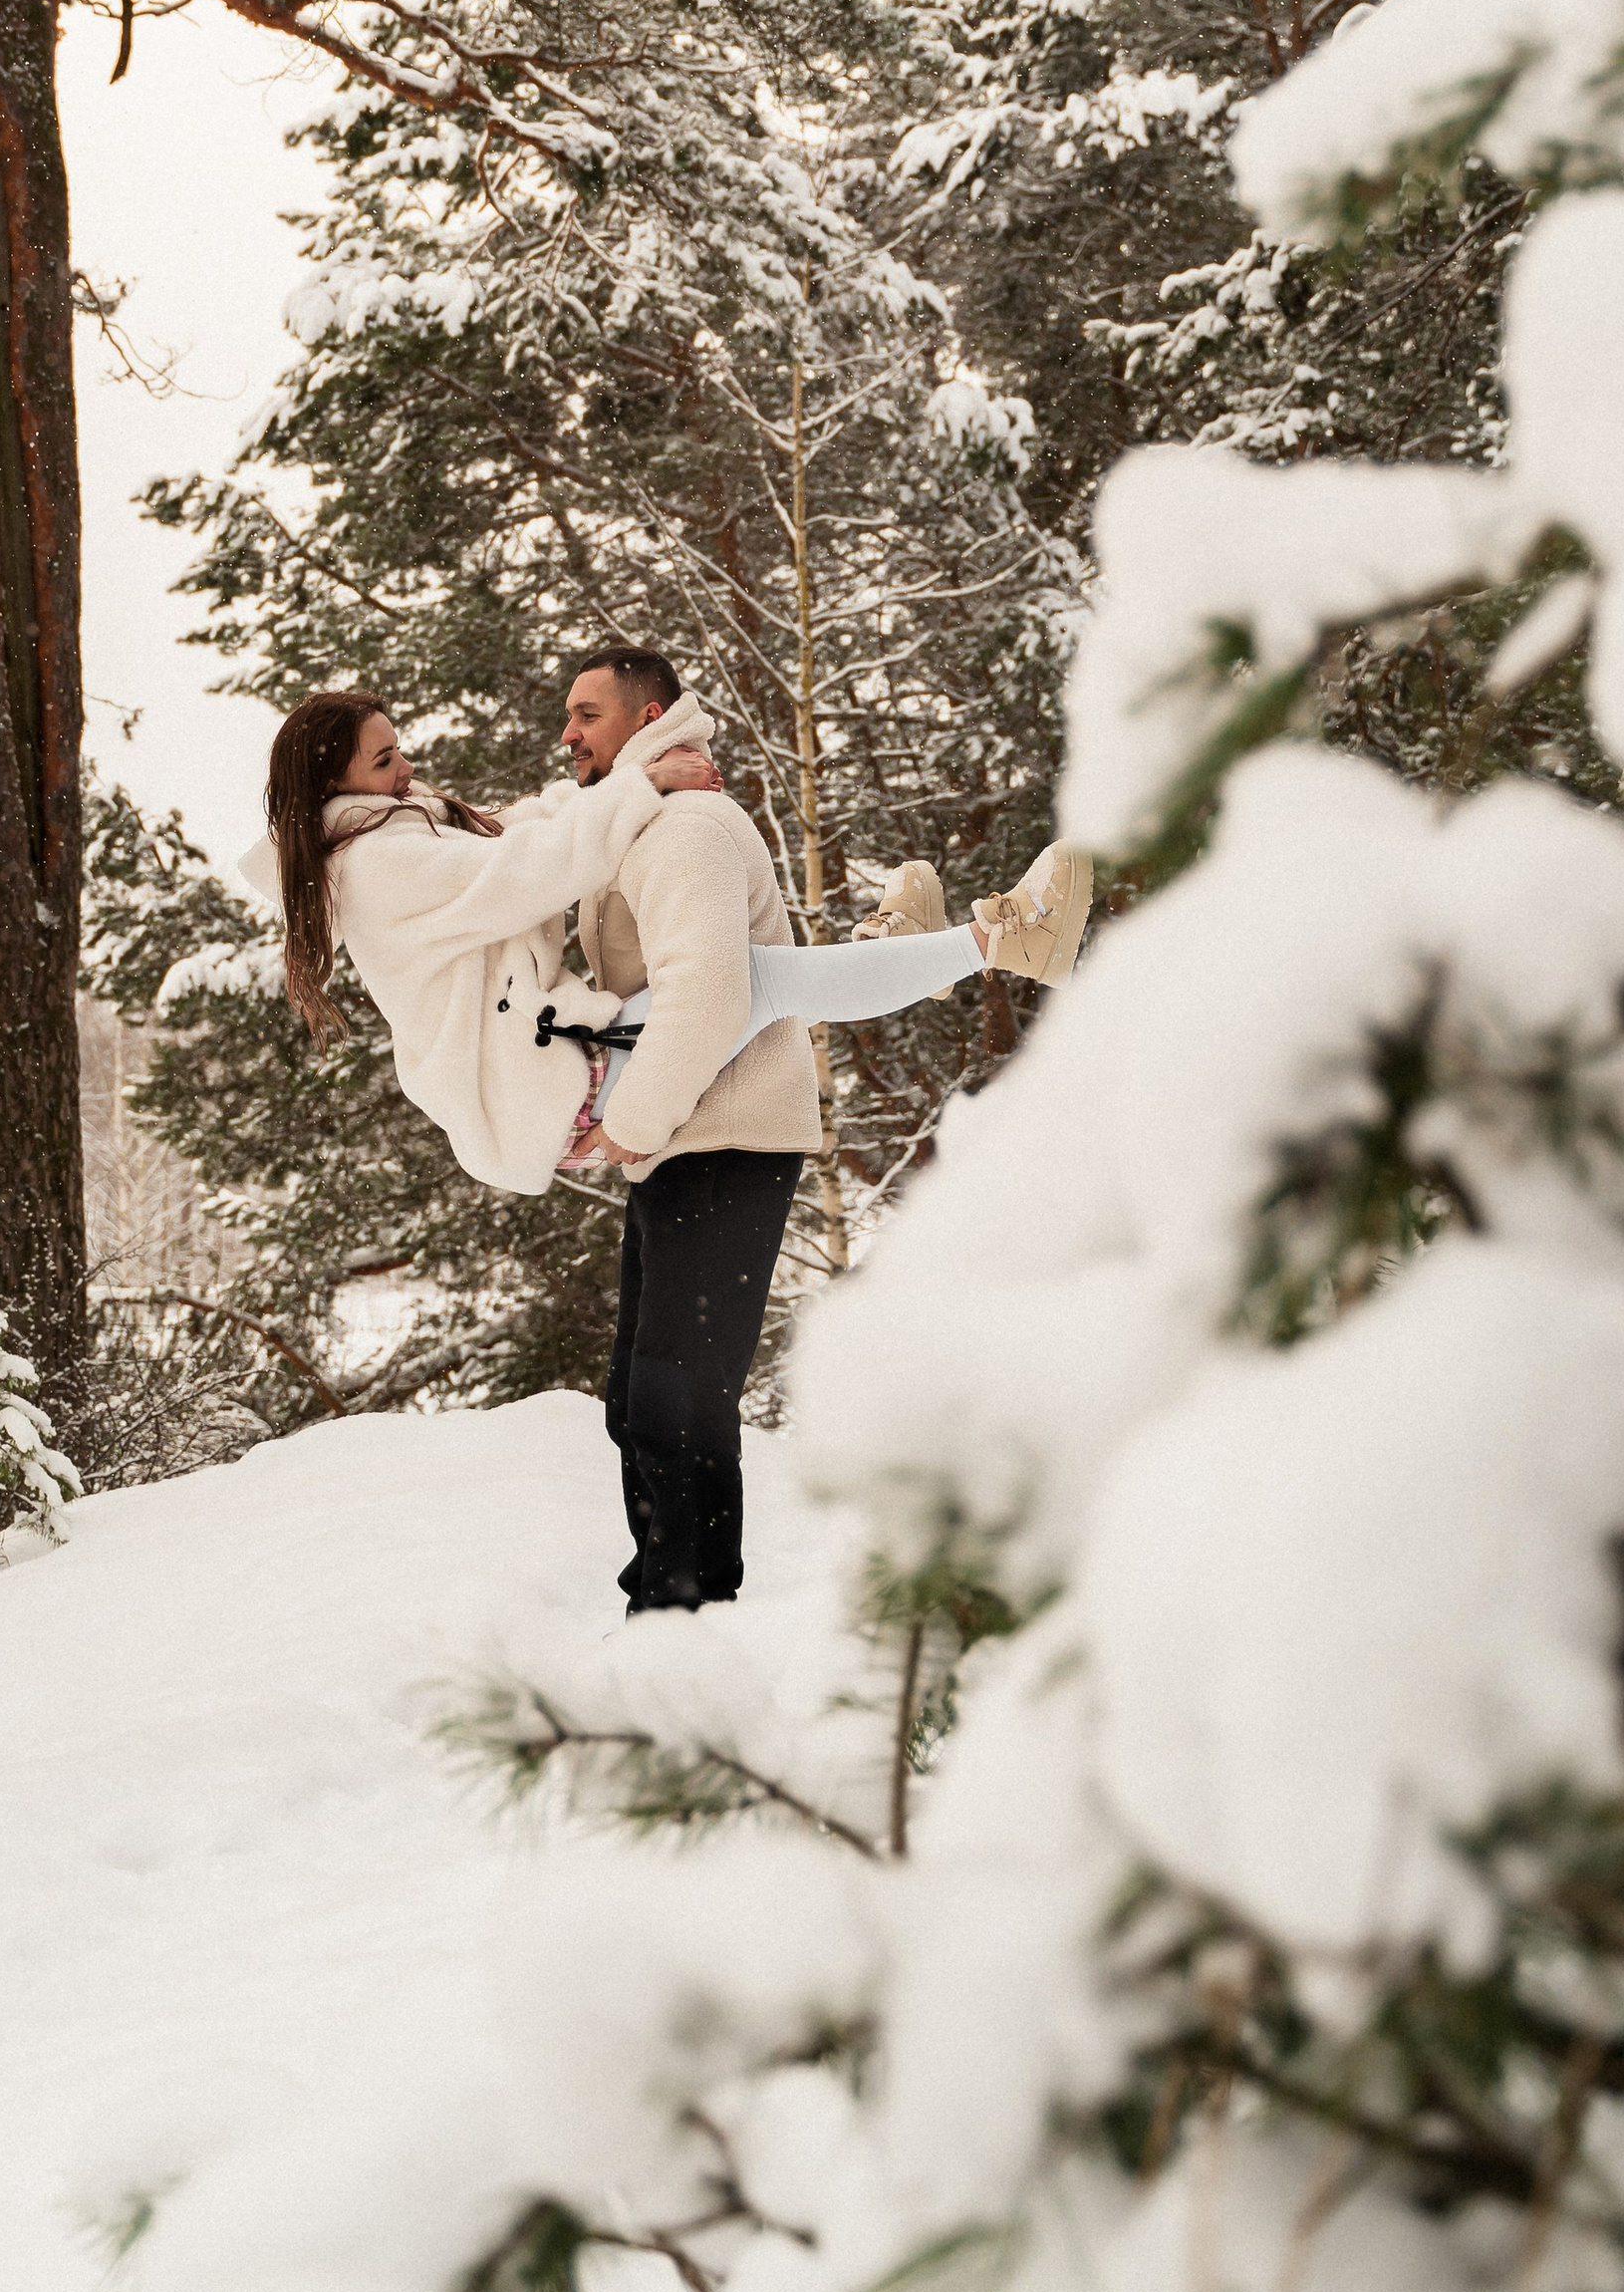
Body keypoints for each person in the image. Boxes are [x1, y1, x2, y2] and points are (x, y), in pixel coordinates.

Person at [247, 676, 1085, 1606]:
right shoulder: (380, 863)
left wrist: (635, 778)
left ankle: (913, 952)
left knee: (657, 1386)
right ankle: (980, 943)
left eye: (399, 749)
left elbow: (529, 827)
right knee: (755, 984)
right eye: (384, 759)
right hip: (561, 1081)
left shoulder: (398, 831)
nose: (407, 768)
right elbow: (532, 867)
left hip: (569, 1058)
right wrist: (645, 780)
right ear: (336, 782)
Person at [561, 640, 1083, 1618]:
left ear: (646, 717)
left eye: (587, 713)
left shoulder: (682, 825)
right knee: (647, 1394)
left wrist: (628, 1122)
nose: (566, 731)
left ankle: (686, 1612)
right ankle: (953, 937)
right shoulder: (633, 820)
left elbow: (714, 994)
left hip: (717, 1132)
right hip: (689, 1130)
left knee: (676, 1392)